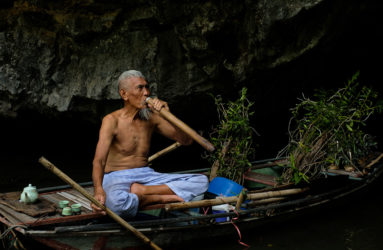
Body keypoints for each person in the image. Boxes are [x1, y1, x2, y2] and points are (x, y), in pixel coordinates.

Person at [91, 70, 209, 217]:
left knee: (201, 181)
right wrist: (98, 190)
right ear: (124, 94)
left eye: (147, 87)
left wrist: (168, 114)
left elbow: (187, 140)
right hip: (116, 176)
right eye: (140, 88)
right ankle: (156, 197)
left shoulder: (152, 117)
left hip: (146, 175)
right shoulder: (111, 120)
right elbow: (99, 160)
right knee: (115, 204)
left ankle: (142, 192)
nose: (146, 93)